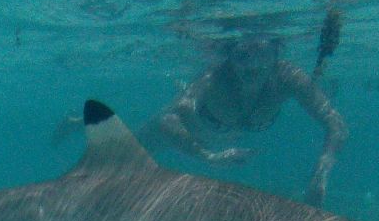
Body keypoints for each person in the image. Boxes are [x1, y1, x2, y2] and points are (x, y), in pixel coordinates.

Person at [146, 31, 346, 206]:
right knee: (124, 157)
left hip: (218, 137)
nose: (252, 64)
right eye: (243, 55)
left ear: (276, 54)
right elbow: (168, 121)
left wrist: (321, 173)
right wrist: (208, 157)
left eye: (261, 53)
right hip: (179, 136)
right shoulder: (214, 78)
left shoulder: (288, 78)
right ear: (230, 56)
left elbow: (336, 124)